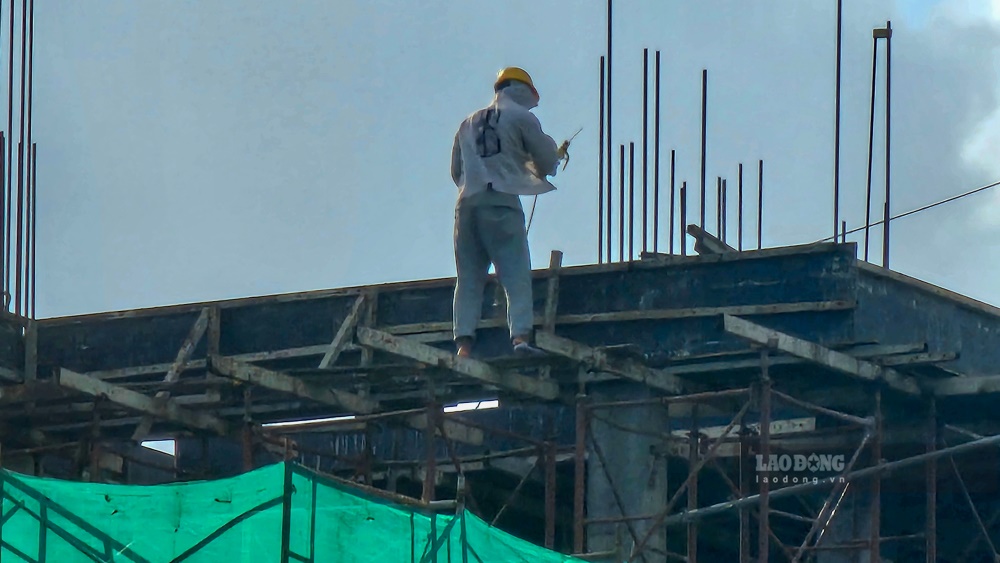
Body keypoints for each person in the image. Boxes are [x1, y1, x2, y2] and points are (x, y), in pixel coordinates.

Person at [449, 67, 566, 357]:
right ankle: (520, 339)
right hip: (500, 202)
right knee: (514, 273)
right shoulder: (521, 117)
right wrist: (551, 161)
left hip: (466, 205)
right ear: (522, 90)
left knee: (469, 278)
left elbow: (456, 171)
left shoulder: (467, 123)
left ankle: (463, 345)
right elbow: (546, 159)